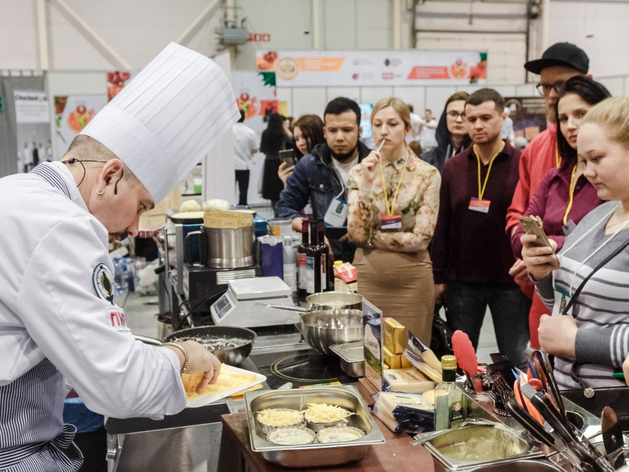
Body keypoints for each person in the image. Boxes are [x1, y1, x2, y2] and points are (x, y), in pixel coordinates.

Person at [0, 43, 237, 470]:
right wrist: (182, 356)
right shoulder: (63, 226)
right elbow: (122, 387)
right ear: (109, 175)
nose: (133, 228)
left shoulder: (16, 191)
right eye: (143, 205)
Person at [522, 96, 629, 390]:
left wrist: (575, 342)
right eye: (582, 161)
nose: (587, 171)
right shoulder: (599, 214)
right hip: (574, 401)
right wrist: (542, 272)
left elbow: (572, 332)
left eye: (597, 159)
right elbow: (566, 301)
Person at [431, 88, 529, 369]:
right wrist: (439, 277)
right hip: (462, 282)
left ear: (502, 118)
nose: (477, 125)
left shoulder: (522, 163)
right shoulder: (452, 167)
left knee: (517, 359)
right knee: (462, 363)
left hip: (510, 281)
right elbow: (443, 225)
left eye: (485, 117)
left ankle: (519, 411)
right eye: (470, 118)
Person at [511, 76, 610, 348]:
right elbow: (522, 229)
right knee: (541, 382)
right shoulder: (554, 177)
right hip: (546, 298)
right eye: (563, 118)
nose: (571, 126)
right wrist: (532, 246)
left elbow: (606, 240)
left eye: (580, 114)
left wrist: (550, 242)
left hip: (594, 308)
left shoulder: (611, 180)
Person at [347, 98, 440, 344]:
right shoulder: (359, 173)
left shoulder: (427, 174)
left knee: (413, 356)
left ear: (407, 128)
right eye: (377, 124)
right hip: (368, 278)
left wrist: (372, 237)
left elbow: (421, 239)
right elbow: (355, 233)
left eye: (392, 124)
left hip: (412, 281)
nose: (383, 131)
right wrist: (366, 187)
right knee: (369, 355)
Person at [506, 42, 590, 294]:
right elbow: (517, 213)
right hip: (541, 286)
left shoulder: (613, 156)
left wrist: (547, 246)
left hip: (592, 286)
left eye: (561, 85)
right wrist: (524, 249)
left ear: (588, 83)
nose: (553, 95)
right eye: (545, 86)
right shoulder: (535, 148)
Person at [275, 97, 371, 262]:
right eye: (333, 130)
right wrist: (313, 232)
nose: (339, 137)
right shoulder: (309, 165)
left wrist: (366, 229)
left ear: (359, 131)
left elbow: (394, 215)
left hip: (369, 257)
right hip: (327, 258)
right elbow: (284, 208)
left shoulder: (376, 164)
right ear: (325, 132)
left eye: (347, 130)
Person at [421, 92, 472, 172]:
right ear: (445, 117)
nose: (458, 120)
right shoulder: (427, 161)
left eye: (464, 114)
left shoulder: (483, 159)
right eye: (453, 113)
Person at [278, 114, 324, 186]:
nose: (300, 143)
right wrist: (287, 183)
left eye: (305, 137)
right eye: (296, 139)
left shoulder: (331, 165)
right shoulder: (300, 167)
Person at [260, 113, 291, 210]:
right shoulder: (283, 134)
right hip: (280, 163)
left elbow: (262, 149)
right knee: (281, 188)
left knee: (272, 192)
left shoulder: (265, 133)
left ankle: (275, 211)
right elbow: (292, 142)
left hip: (269, 163)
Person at [233, 109, 259, 206]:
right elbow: (255, 149)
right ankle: (242, 209)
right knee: (243, 192)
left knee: (229, 192)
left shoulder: (228, 131)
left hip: (231, 166)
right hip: (244, 165)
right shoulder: (250, 132)